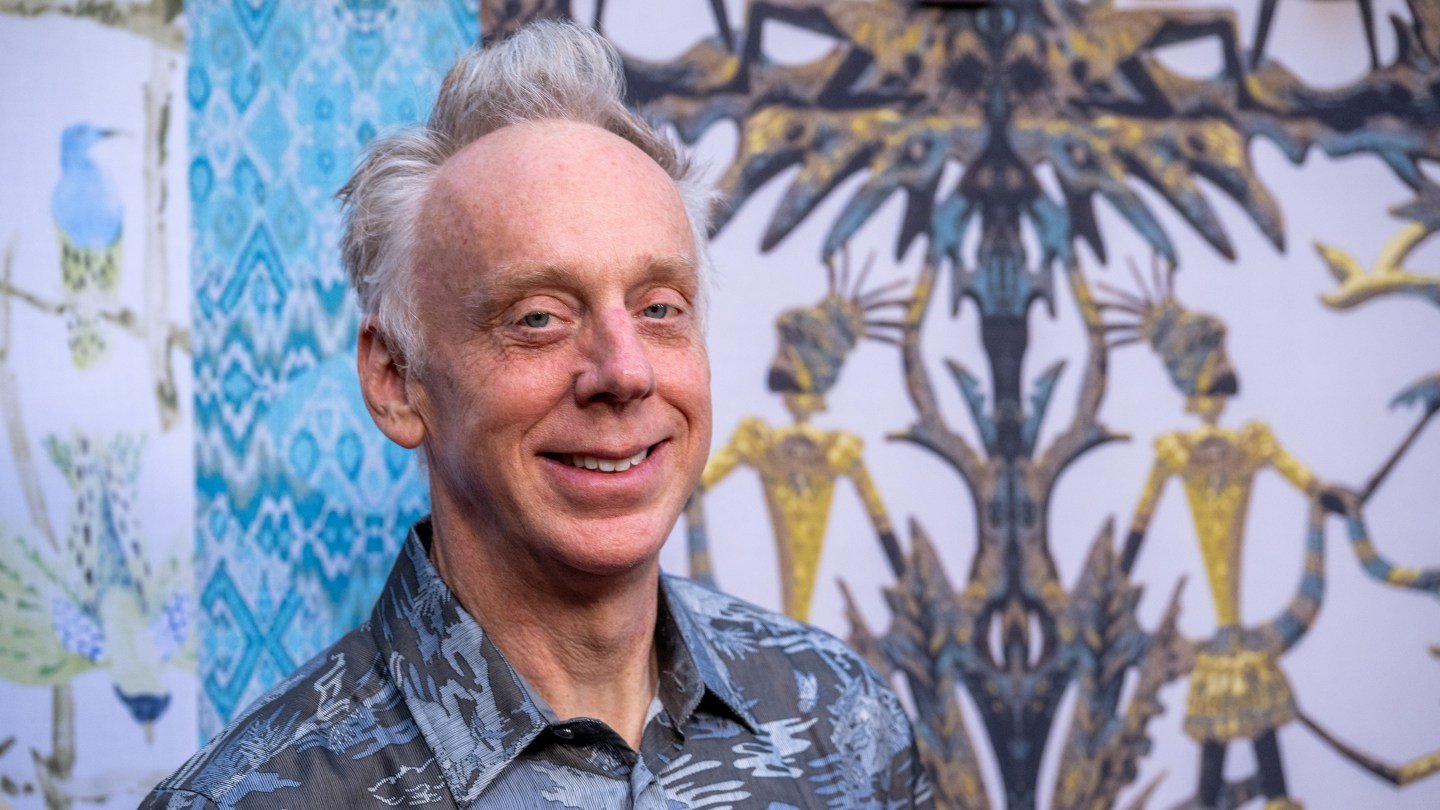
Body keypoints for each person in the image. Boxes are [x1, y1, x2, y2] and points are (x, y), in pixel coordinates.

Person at [142, 19, 931, 809]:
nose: (625, 371)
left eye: (659, 308)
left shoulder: (843, 721)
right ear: (396, 380)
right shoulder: (255, 799)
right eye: (539, 318)